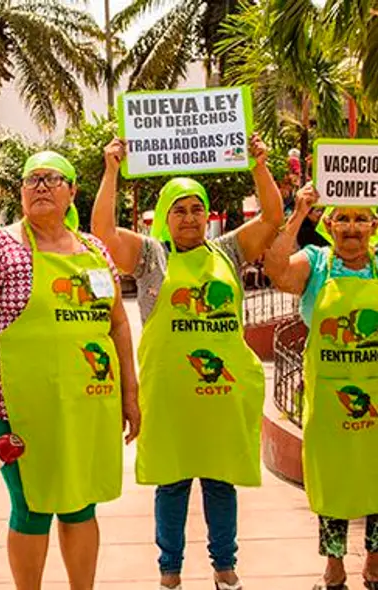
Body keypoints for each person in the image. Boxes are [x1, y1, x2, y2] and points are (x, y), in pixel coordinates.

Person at [91, 135, 283, 590]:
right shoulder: (151, 256)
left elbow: (273, 218)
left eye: (197, 208)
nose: (190, 217)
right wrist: (112, 170)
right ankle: (170, 572)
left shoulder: (229, 251)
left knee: (221, 483)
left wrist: (259, 165)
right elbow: (103, 234)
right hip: (170, 398)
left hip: (221, 394)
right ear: (165, 217)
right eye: (179, 209)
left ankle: (225, 568)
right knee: (172, 486)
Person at [0, 150, 140, 590]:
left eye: (52, 179)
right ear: (20, 193)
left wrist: (130, 395)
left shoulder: (96, 251)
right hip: (16, 407)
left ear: (72, 191)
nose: (40, 186)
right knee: (31, 506)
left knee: (81, 505)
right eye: (32, 179)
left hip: (88, 405)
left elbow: (117, 323)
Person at [263, 185, 378, 590]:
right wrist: (299, 212)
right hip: (328, 404)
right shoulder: (316, 263)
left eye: (360, 218)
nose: (351, 227)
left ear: (373, 226)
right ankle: (334, 566)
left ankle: (375, 565)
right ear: (328, 225)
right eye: (342, 218)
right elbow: (275, 271)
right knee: (331, 484)